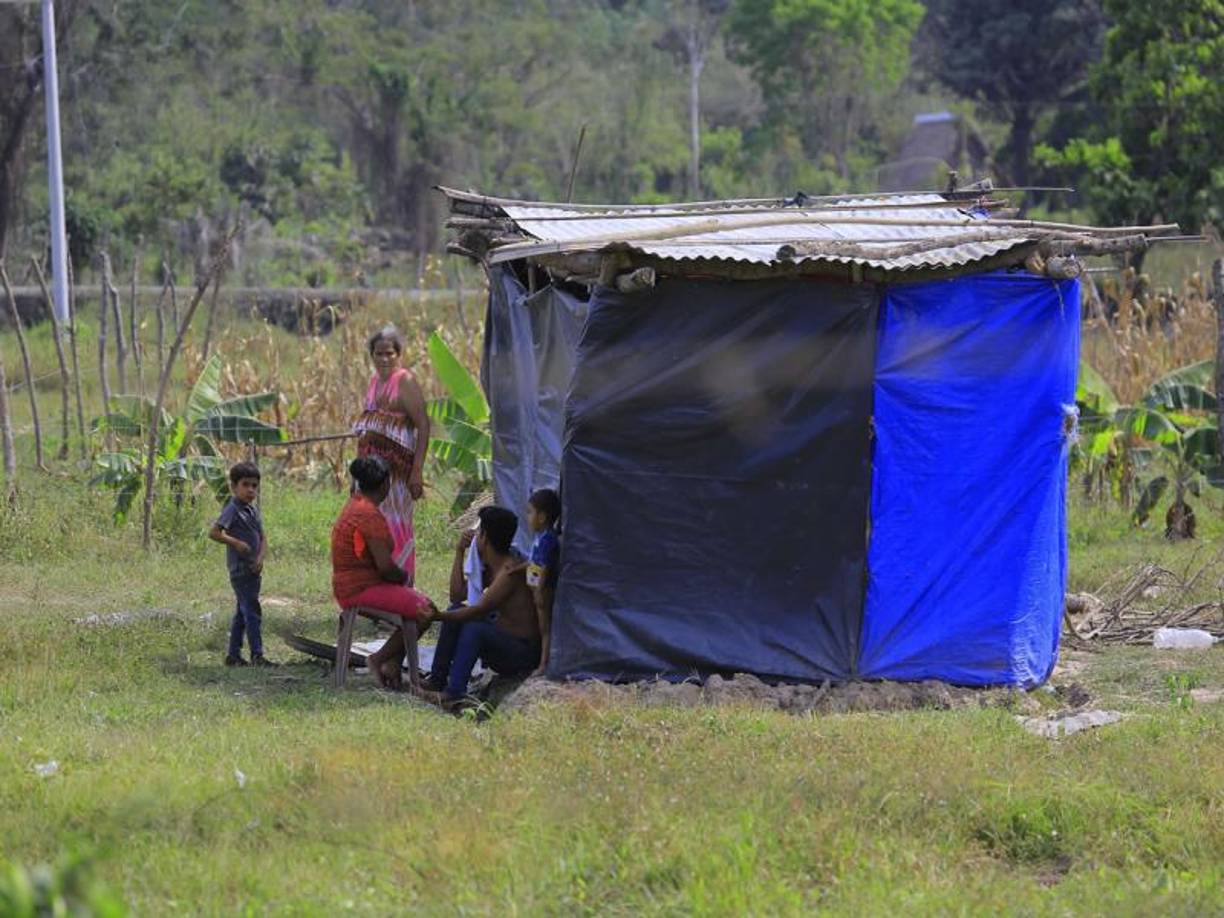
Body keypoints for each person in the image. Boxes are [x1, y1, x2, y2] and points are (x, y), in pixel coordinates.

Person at [331, 455, 436, 689]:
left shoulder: (354, 506)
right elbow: (386, 567)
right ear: (385, 484)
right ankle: (378, 660)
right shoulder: (369, 516)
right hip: (361, 588)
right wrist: (403, 578)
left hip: (347, 586)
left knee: (414, 606)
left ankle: (392, 664)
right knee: (426, 610)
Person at [418, 506, 539, 707]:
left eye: (480, 531)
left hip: (522, 652)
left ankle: (454, 691)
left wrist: (437, 616)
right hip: (504, 634)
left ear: (484, 538)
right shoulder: (492, 565)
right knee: (455, 610)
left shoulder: (508, 571)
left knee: (475, 629)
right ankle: (437, 680)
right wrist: (459, 552)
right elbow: (457, 595)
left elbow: (478, 609)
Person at [353, 325, 430, 584]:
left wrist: (416, 471)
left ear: (399, 355)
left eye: (389, 353)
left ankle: (403, 590)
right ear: (371, 356)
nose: (384, 359)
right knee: (376, 526)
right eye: (379, 354)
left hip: (398, 476)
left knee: (397, 527)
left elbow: (423, 424)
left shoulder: (404, 382)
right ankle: (380, 592)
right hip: (374, 474)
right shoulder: (375, 382)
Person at [209, 461, 272, 667]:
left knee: (242, 612)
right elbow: (215, 532)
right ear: (234, 487)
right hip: (240, 569)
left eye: (254, 486)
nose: (251, 490)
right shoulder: (233, 509)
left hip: (253, 569)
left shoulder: (252, 511)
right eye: (246, 485)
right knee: (252, 611)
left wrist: (260, 558)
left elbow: (263, 538)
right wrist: (235, 542)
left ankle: (233, 655)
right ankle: (257, 654)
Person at [525, 488, 561, 676]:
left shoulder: (548, 539)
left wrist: (539, 590)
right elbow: (533, 560)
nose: (528, 517)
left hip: (543, 591)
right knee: (541, 628)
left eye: (530, 512)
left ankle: (543, 665)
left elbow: (545, 566)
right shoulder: (540, 537)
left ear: (542, 517)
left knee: (545, 629)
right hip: (535, 587)